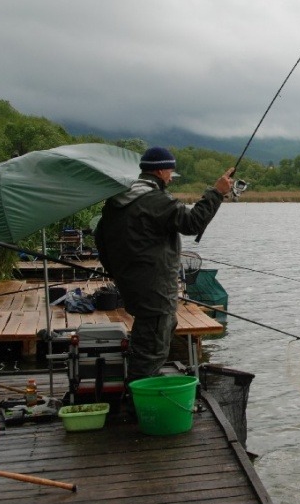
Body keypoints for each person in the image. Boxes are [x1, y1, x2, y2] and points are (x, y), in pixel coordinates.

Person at [94, 146, 234, 382]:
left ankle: (140, 386)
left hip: (134, 284)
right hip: (154, 287)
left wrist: (117, 271)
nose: (171, 177)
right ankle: (139, 404)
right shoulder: (155, 200)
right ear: (160, 170)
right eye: (170, 171)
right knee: (152, 349)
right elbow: (192, 223)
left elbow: (99, 236)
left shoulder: (120, 198)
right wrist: (216, 193)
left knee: (156, 333)